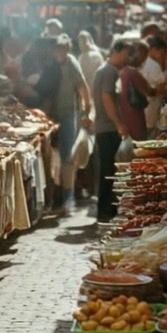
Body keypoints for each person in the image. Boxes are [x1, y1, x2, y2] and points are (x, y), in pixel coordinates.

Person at [92, 38, 131, 223]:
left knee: (108, 169)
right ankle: (105, 211)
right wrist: (119, 124)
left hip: (104, 127)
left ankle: (106, 210)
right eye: (126, 53)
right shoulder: (109, 72)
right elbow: (107, 98)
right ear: (118, 51)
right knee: (108, 171)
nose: (127, 57)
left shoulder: (105, 70)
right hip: (107, 128)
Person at [52, 35, 92, 212]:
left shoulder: (72, 64)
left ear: (67, 49)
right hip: (54, 115)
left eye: (62, 49)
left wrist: (86, 111)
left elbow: (83, 88)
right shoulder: (53, 64)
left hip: (69, 114)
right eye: (57, 49)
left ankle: (68, 197)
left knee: (68, 155)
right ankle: (58, 193)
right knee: (56, 155)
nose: (59, 52)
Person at [119, 42, 155, 142]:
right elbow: (151, 91)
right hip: (135, 116)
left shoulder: (120, 70)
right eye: (144, 55)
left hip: (122, 116)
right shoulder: (132, 72)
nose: (144, 60)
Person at [142, 35, 167, 134]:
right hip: (151, 105)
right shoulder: (153, 65)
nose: (162, 55)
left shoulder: (143, 62)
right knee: (151, 133)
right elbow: (160, 87)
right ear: (154, 49)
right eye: (161, 52)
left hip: (144, 107)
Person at [77, 31, 103, 96]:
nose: (81, 45)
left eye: (84, 42)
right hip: (86, 90)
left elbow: (101, 72)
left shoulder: (96, 56)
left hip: (96, 89)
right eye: (80, 43)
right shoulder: (81, 57)